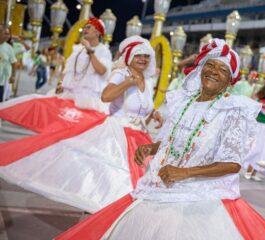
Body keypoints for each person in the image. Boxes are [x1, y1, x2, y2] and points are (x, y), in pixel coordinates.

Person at [56, 39, 265, 240]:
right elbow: (175, 141)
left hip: (200, 198)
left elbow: (232, 164)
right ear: (200, 69)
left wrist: (184, 173)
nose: (213, 71)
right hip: (160, 186)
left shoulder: (233, 110)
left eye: (222, 69)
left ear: (230, 79)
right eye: (209, 65)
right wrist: (152, 148)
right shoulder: (185, 102)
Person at [0, 36, 162, 213]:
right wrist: (127, 82)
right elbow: (106, 97)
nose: (143, 59)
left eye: (146, 56)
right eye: (139, 55)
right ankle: (95, 217)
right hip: (117, 136)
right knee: (110, 181)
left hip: (140, 137)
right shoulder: (121, 74)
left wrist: (153, 113)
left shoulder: (148, 81)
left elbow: (141, 107)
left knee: (133, 183)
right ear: (129, 56)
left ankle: (110, 219)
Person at [56, 17, 112, 113]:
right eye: (85, 27)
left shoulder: (104, 51)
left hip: (88, 100)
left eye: (89, 27)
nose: (84, 29)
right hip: (69, 95)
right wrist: (61, 84)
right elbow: (68, 70)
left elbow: (102, 71)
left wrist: (90, 50)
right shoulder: (78, 49)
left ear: (97, 33)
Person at [0, 25, 17, 102]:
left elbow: (14, 63)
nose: (8, 36)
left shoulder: (9, 48)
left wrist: (13, 76)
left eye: (9, 34)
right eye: (5, 34)